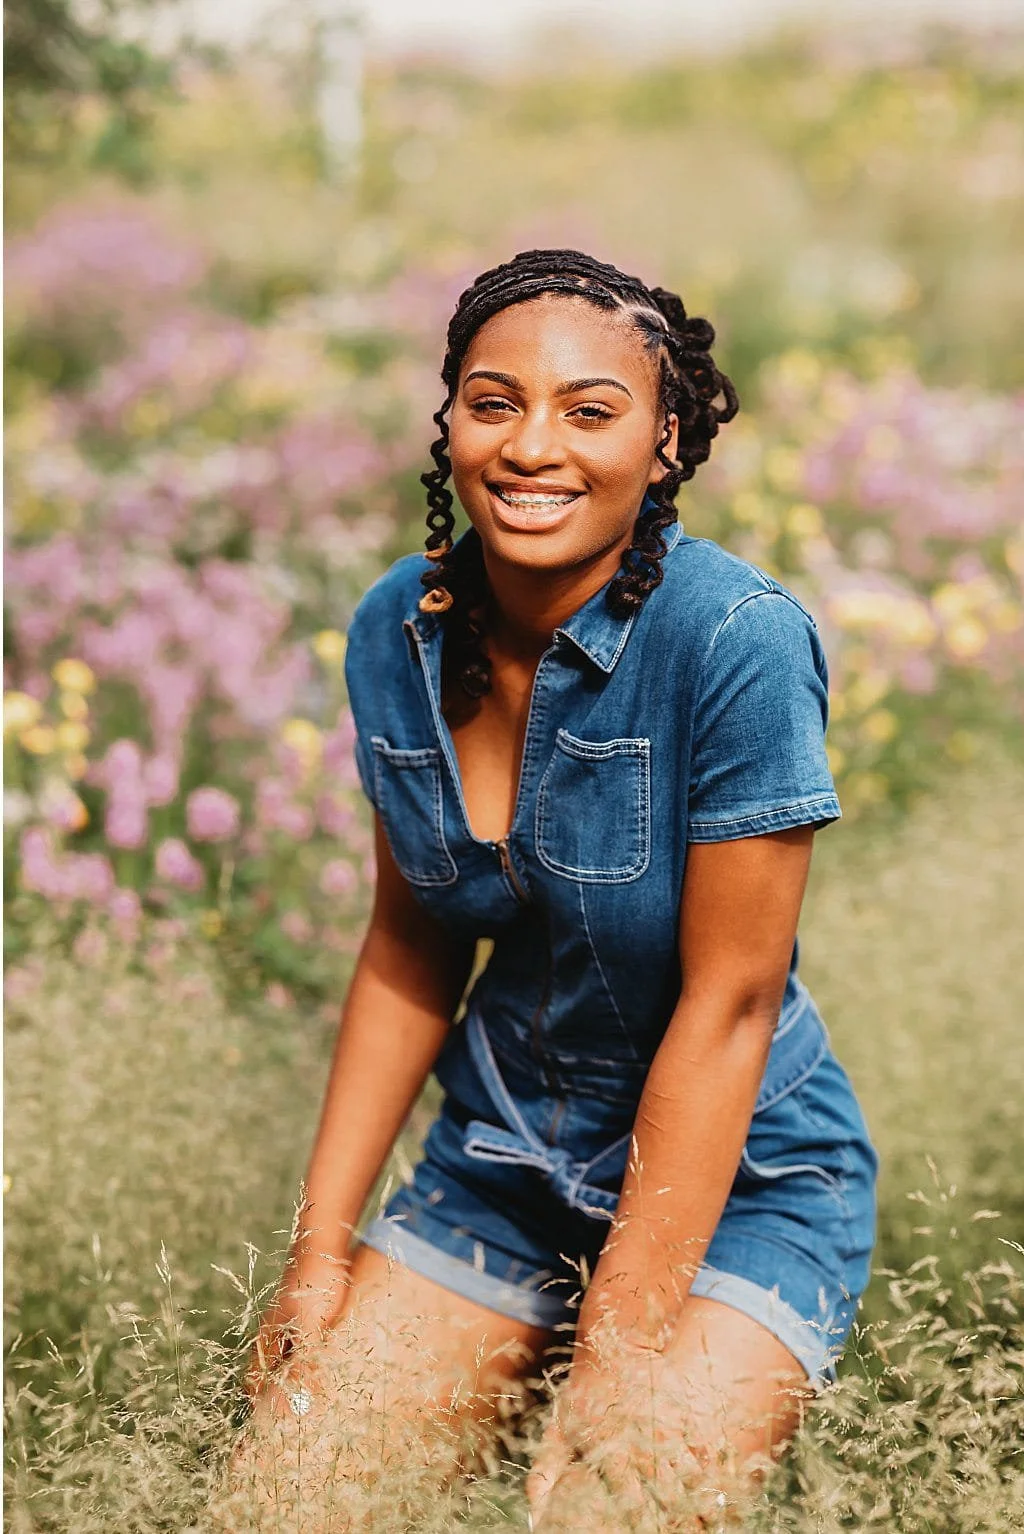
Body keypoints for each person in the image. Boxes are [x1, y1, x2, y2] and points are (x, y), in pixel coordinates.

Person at [227, 250, 877, 1529]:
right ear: (450, 420)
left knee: (606, 1508)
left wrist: (618, 1351)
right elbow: (407, 949)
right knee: (275, 1505)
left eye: (589, 411)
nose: (532, 448)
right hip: (494, 1167)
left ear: (664, 437)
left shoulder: (736, 641)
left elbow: (731, 1004)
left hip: (748, 1183)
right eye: (491, 402)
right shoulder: (394, 630)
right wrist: (316, 1261)